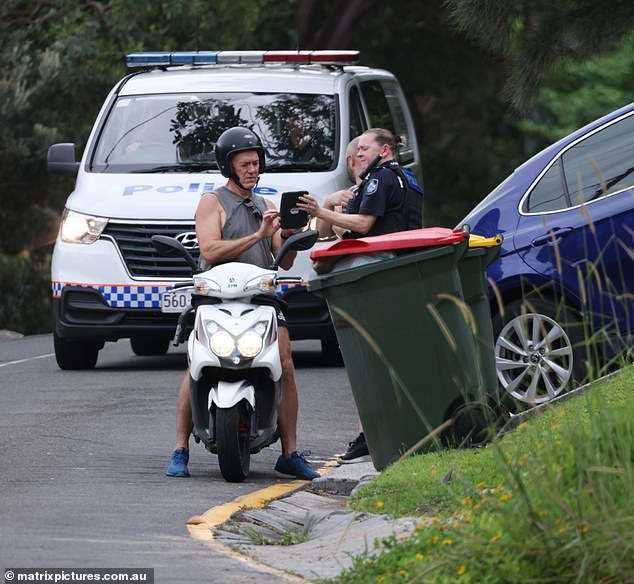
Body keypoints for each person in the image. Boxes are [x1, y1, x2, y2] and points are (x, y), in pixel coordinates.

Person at [166, 127, 320, 480]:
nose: (253, 169)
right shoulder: (212, 201)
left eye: (256, 163)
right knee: (197, 362)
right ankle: (180, 448)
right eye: (246, 164)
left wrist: (292, 234)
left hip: (261, 297)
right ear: (229, 166)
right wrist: (257, 235)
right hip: (215, 297)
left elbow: (282, 260)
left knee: (285, 362)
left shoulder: (265, 204)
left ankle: (290, 451)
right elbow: (209, 249)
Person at [297, 128, 424, 462]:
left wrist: (319, 211)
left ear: (384, 150)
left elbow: (364, 226)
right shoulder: (408, 179)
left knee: (365, 358)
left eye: (364, 148)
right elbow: (332, 233)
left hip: (374, 279)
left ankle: (371, 434)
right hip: (403, 277)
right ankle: (390, 431)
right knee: (386, 357)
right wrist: (329, 206)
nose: (357, 155)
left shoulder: (379, 179)